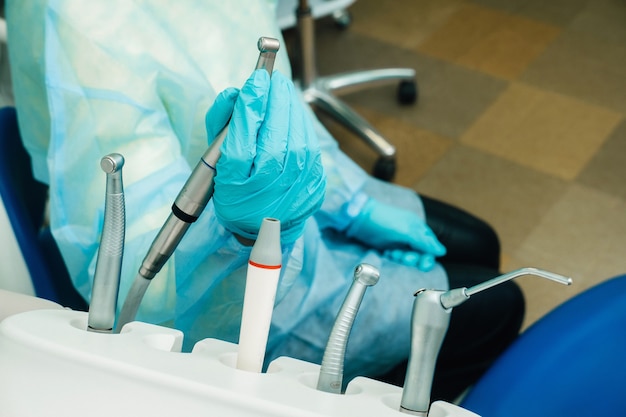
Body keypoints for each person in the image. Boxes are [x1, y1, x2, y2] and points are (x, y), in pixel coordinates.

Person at [5, 0, 524, 401]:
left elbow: (282, 105)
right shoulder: (77, 19)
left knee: (483, 242)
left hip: (291, 203)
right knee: (499, 304)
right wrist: (240, 237)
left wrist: (349, 201)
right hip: (220, 283)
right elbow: (136, 272)